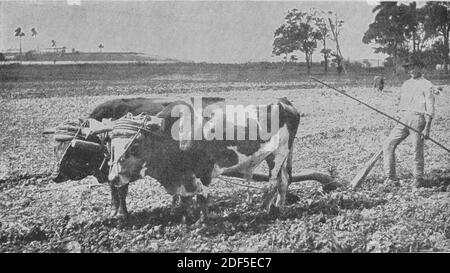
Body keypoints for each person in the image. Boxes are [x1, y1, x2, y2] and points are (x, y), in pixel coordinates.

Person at [383, 60, 436, 188]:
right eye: (409, 68)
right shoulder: (406, 84)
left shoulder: (427, 85)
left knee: (416, 150)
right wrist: (398, 114)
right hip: (403, 118)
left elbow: (430, 107)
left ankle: (418, 178)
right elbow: (401, 100)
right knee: (388, 144)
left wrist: (427, 129)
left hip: (417, 119)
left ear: (421, 67)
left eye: (414, 67)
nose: (411, 70)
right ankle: (391, 178)